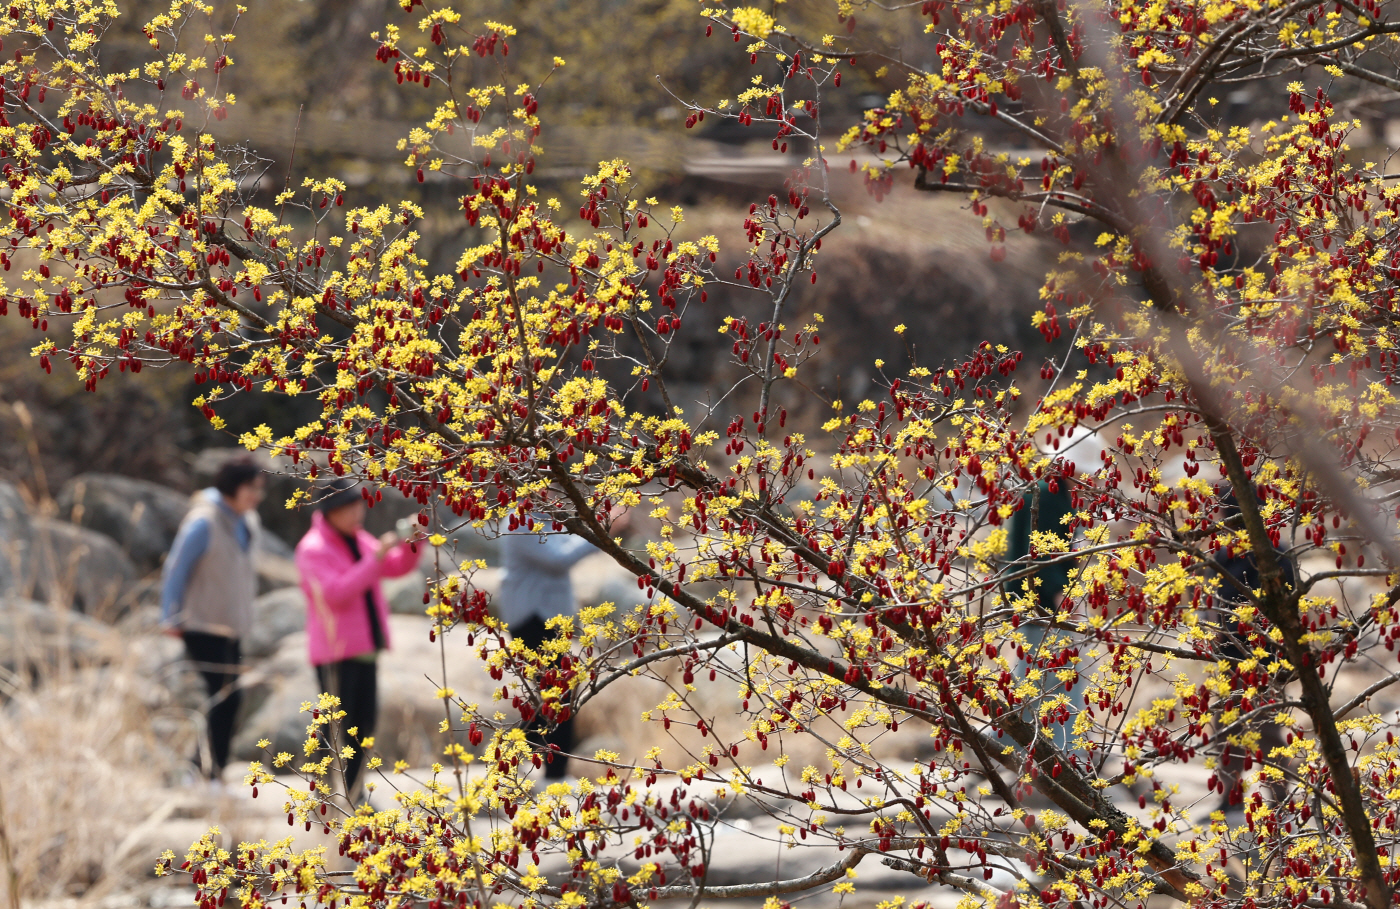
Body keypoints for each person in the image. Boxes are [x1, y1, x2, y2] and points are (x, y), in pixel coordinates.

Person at [296, 479, 419, 800]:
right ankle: (322, 793)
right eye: (349, 508)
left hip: (365, 647)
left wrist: (413, 543)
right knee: (332, 726)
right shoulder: (312, 548)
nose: (357, 513)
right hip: (335, 651)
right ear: (331, 512)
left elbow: (394, 567)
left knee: (363, 725)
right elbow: (335, 594)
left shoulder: (359, 539)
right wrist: (375, 558)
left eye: (358, 506)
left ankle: (355, 791)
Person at [161, 458, 266, 783]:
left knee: (228, 700)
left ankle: (206, 771)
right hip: (200, 624)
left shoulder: (248, 521)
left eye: (259, 489)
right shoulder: (203, 522)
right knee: (227, 698)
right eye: (251, 488)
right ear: (232, 486)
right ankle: (204, 773)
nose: (257, 495)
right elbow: (176, 569)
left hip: (231, 627)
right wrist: (170, 616)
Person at [499, 513, 624, 779]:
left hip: (546, 617)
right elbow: (558, 560)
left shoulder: (545, 516)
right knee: (559, 692)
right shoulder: (519, 521)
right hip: (532, 617)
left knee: (551, 693)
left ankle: (513, 759)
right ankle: (553, 773)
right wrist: (599, 531)